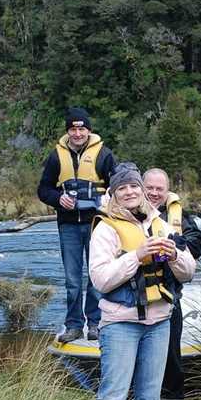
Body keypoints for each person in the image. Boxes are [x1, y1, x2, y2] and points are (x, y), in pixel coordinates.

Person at [81, 163, 196, 400]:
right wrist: (137, 255)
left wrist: (175, 254)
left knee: (150, 399)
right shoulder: (105, 228)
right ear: (114, 193)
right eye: (124, 188)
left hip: (159, 321)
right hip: (121, 323)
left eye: (134, 187)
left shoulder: (159, 222)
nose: (131, 192)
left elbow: (187, 271)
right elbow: (101, 278)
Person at [37, 107, 116, 343]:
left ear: (89, 130)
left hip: (97, 224)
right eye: (73, 129)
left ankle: (95, 323)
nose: (78, 133)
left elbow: (118, 185)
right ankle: (73, 325)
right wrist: (57, 199)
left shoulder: (104, 154)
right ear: (68, 131)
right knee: (72, 281)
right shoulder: (55, 156)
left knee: (96, 276)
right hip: (68, 225)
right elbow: (43, 189)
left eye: (82, 128)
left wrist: (108, 201)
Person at [143, 168, 201, 400]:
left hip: (169, 296)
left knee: (171, 354)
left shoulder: (178, 214)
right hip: (136, 296)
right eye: (150, 188)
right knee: (138, 355)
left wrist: (174, 246)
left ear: (167, 190)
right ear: (141, 186)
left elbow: (199, 241)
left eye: (160, 188)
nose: (155, 193)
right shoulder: (128, 211)